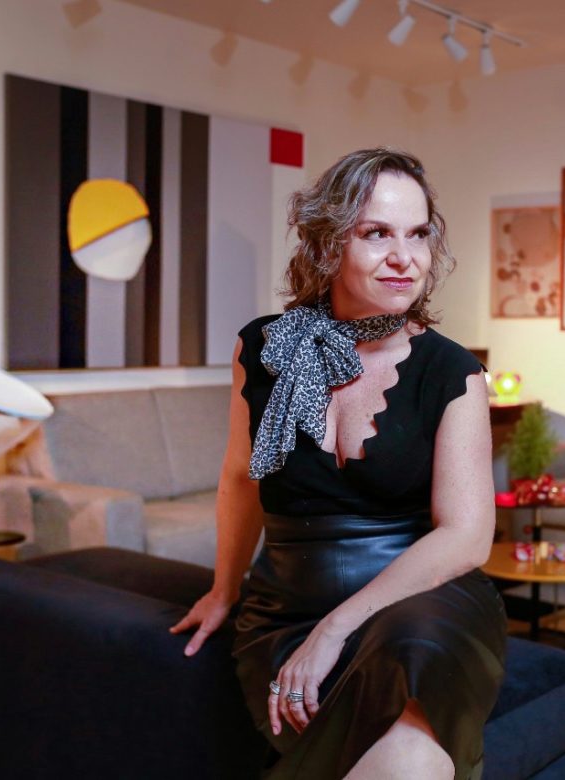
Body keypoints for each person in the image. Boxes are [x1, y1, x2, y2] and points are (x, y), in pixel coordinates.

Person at [171, 148, 506, 779]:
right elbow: (242, 478)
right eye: (377, 233)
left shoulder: (453, 371)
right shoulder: (263, 347)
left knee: (410, 751)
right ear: (329, 244)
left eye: (418, 234)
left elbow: (467, 536)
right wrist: (223, 590)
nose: (404, 257)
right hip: (287, 608)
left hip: (422, 602)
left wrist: (333, 630)